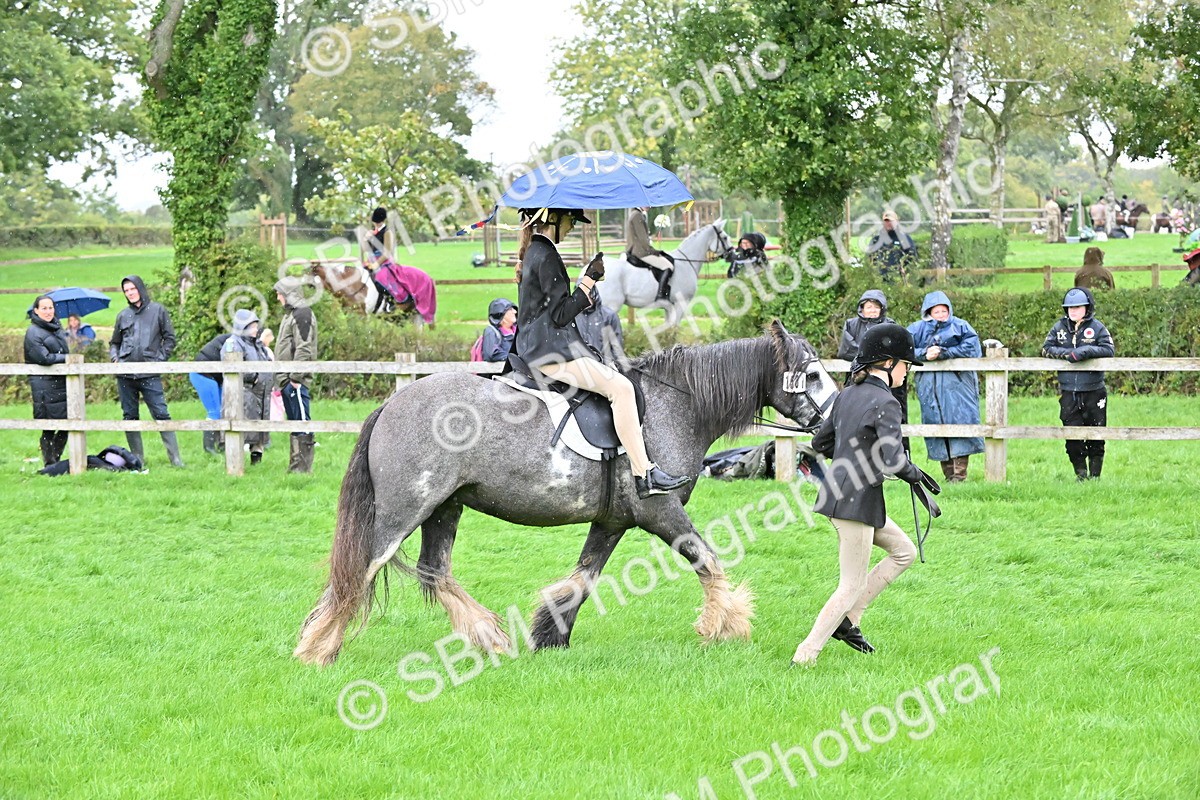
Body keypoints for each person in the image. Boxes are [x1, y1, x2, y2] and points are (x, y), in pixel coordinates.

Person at [792, 323, 940, 667]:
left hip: (844, 494)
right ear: (888, 363)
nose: (908, 372)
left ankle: (849, 621)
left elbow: (820, 443)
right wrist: (916, 473)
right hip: (855, 502)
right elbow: (894, 459)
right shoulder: (886, 401)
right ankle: (806, 654)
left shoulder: (847, 395)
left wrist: (851, 454)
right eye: (906, 364)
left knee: (904, 551)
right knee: (851, 584)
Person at [516, 207, 687, 498]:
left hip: (540, 345)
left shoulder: (535, 250)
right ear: (553, 219)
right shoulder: (546, 256)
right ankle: (644, 473)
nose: (572, 228)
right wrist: (589, 280)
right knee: (621, 389)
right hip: (550, 352)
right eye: (570, 221)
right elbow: (560, 314)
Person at [907, 291, 984, 482]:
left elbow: (973, 347)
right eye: (937, 311)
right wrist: (925, 353)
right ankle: (949, 474)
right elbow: (904, 349)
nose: (941, 314)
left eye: (944, 311)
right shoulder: (916, 329)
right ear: (928, 312)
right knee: (936, 424)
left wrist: (944, 352)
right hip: (929, 387)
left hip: (958, 385)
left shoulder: (961, 326)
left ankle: (959, 475)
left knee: (960, 422)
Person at [109, 275, 183, 467]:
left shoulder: (158, 311)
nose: (130, 293)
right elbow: (114, 343)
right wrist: (115, 359)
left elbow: (170, 339)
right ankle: (137, 459)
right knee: (130, 416)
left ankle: (175, 460)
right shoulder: (123, 315)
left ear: (140, 288)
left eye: (132, 289)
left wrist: (159, 360)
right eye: (126, 290)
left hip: (150, 374)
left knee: (161, 413)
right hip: (125, 375)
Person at [1042, 288, 1115, 480]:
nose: (1073, 311)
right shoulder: (1059, 328)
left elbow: (1109, 349)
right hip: (1068, 390)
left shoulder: (1097, 327)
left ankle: (1096, 476)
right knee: (1072, 435)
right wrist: (1066, 354)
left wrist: (1086, 351)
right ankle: (1081, 475)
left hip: (1094, 390)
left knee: (1096, 434)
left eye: (1077, 307)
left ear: (1087, 307)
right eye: (1069, 308)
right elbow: (1046, 349)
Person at [837, 289, 908, 438]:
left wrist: (868, 356)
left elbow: (895, 350)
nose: (873, 310)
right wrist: (872, 357)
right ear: (862, 308)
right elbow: (846, 350)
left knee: (889, 414)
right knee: (857, 413)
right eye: (869, 307)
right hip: (859, 377)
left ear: (882, 309)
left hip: (885, 378)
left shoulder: (890, 325)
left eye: (876, 307)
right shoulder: (851, 325)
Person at [275, 277, 318, 472]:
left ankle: (303, 467)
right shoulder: (292, 314)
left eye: (279, 293)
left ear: (288, 294)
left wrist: (295, 378)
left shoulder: (302, 313)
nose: (277, 297)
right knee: (294, 422)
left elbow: (304, 348)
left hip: (295, 381)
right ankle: (295, 467)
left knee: (301, 421)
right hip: (287, 379)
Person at [222, 309, 274, 465]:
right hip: (243, 393)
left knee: (259, 428)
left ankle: (256, 462)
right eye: (252, 326)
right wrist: (255, 377)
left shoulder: (258, 345)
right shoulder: (233, 343)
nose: (256, 329)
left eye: (256, 325)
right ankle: (235, 463)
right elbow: (232, 366)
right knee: (240, 427)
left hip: (261, 393)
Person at [24, 295, 70, 466]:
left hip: (60, 383)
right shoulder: (33, 332)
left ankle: (54, 460)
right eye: (44, 308)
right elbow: (43, 357)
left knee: (67, 424)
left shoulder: (56, 328)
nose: (48, 311)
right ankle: (49, 462)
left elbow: (60, 351)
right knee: (49, 426)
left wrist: (65, 356)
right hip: (44, 385)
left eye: (51, 308)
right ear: (36, 310)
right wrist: (67, 358)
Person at [626, 206, 675, 300]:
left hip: (638, 250)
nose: (649, 206)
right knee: (668, 266)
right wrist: (654, 252)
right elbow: (643, 240)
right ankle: (661, 295)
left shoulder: (635, 214)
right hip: (640, 252)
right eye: (646, 203)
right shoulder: (637, 216)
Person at [575, 285, 625, 365]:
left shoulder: (609, 316)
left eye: (588, 296)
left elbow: (616, 345)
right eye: (582, 296)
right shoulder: (572, 317)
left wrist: (615, 365)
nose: (585, 300)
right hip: (580, 366)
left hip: (604, 366)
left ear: (594, 295)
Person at [864, 210, 917, 282]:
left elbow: (912, 258)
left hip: (898, 280)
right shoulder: (876, 240)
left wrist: (905, 272)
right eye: (886, 221)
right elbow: (869, 259)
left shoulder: (904, 239)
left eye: (891, 221)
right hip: (880, 281)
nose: (888, 223)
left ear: (897, 222)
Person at [474, 298, 518, 363]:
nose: (515, 312)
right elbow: (492, 355)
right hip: (498, 372)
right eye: (510, 310)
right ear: (501, 314)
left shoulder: (520, 331)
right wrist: (517, 359)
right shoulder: (491, 332)